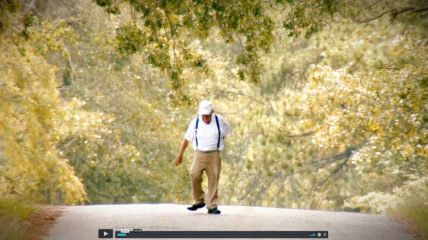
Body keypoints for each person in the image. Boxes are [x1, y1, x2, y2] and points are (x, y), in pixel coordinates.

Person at [173, 100, 231, 214]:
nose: (205, 118)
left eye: (207, 115)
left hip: (214, 154)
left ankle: (212, 205)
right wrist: (180, 155)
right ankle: (199, 200)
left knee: (213, 179)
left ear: (212, 112)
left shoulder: (219, 120)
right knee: (194, 174)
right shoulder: (195, 122)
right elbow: (186, 140)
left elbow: (227, 130)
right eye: (203, 115)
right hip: (199, 153)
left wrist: (220, 138)